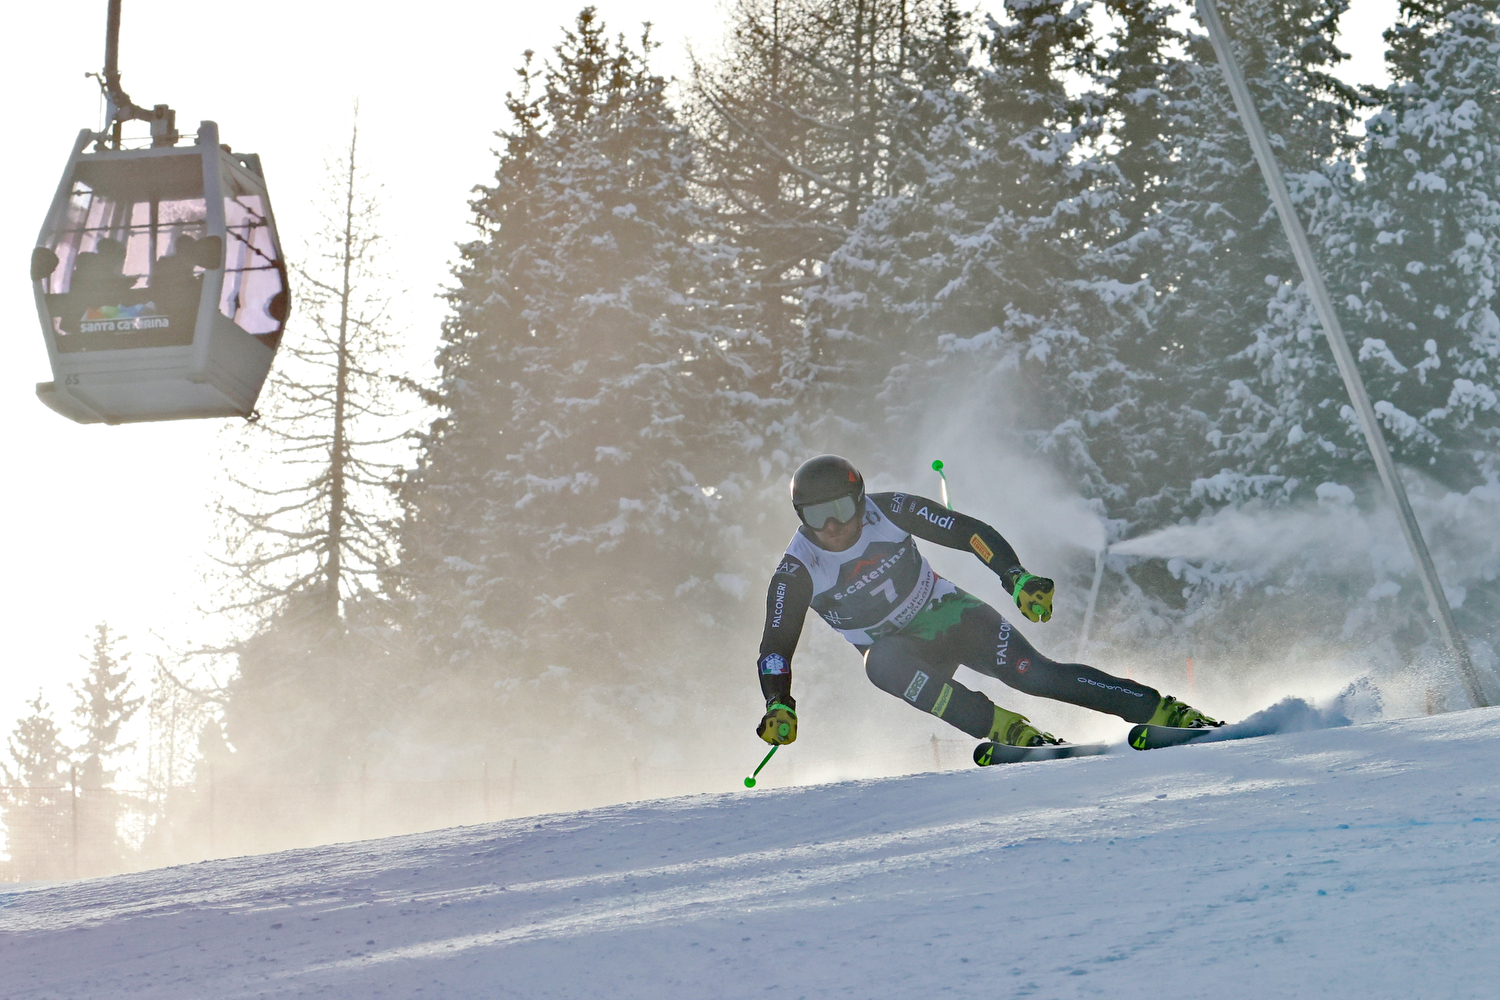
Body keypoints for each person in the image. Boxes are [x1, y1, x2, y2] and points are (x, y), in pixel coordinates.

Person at [754, 455, 1219, 754]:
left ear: (860, 501)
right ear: (801, 517)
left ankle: (1163, 712)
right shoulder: (797, 570)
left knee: (1033, 674)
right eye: (817, 516)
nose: (833, 527)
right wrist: (779, 702)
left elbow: (967, 531)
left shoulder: (889, 509)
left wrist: (1015, 578)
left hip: (952, 616)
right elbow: (776, 645)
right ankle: (1005, 729)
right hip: (904, 653)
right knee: (880, 663)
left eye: (841, 509)